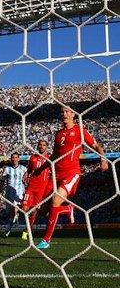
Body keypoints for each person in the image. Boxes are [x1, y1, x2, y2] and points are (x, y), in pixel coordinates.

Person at [36, 106, 108, 249]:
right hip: (56, 174)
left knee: (56, 201)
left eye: (67, 111)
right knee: (43, 210)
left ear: (73, 114)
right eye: (62, 111)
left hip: (71, 173)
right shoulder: (58, 134)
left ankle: (46, 240)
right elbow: (55, 155)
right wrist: (40, 169)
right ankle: (68, 209)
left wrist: (103, 159)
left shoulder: (80, 131)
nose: (64, 114)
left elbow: (96, 146)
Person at [21, 140, 51, 240]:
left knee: (34, 211)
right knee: (25, 209)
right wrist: (25, 175)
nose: (42, 147)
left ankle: (27, 231)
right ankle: (28, 227)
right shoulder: (32, 157)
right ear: (37, 146)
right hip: (30, 187)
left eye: (44, 145)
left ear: (46, 147)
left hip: (41, 189)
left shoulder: (49, 158)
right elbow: (29, 169)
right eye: (40, 145)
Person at [1, 152, 27, 237]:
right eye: (13, 157)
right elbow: (2, 180)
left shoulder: (23, 169)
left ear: (19, 159)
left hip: (19, 193)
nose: (14, 159)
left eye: (16, 157)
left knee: (15, 209)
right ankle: (10, 225)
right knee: (10, 213)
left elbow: (27, 179)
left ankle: (8, 231)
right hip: (9, 193)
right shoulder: (7, 169)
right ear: (10, 159)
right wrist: (0, 190)